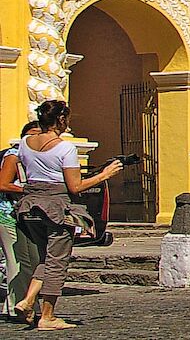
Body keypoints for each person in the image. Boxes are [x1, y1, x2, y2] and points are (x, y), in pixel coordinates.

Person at [13, 100, 124, 329]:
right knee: (57, 263)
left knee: (46, 258)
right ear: (62, 120)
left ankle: (27, 300)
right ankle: (48, 316)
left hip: (31, 207)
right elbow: (75, 186)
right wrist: (105, 174)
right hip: (56, 209)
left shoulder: (25, 143)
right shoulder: (65, 148)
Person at [0, 123, 41, 316]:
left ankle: (27, 303)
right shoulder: (14, 155)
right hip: (8, 214)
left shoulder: (36, 156)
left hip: (27, 215)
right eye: (32, 135)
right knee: (16, 261)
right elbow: (3, 184)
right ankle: (15, 306)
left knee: (32, 260)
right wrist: (27, 189)